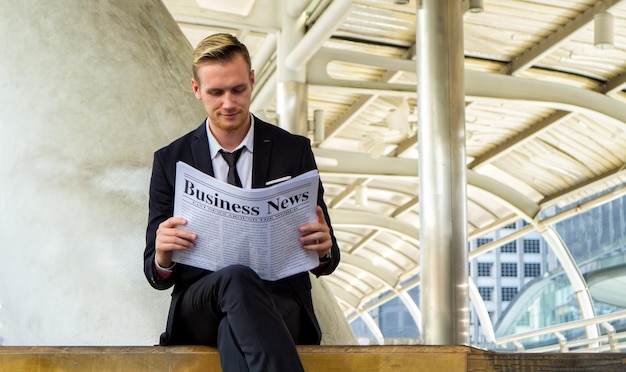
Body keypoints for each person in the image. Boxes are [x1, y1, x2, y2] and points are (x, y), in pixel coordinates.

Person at [143, 33, 340, 371]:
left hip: (279, 303)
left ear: (252, 80)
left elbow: (328, 256)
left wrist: (323, 248)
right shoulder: (171, 160)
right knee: (235, 279)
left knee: (234, 331)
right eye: (215, 93)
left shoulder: (293, 151)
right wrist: (162, 255)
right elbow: (155, 273)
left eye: (237, 89)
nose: (229, 103)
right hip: (201, 303)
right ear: (196, 89)